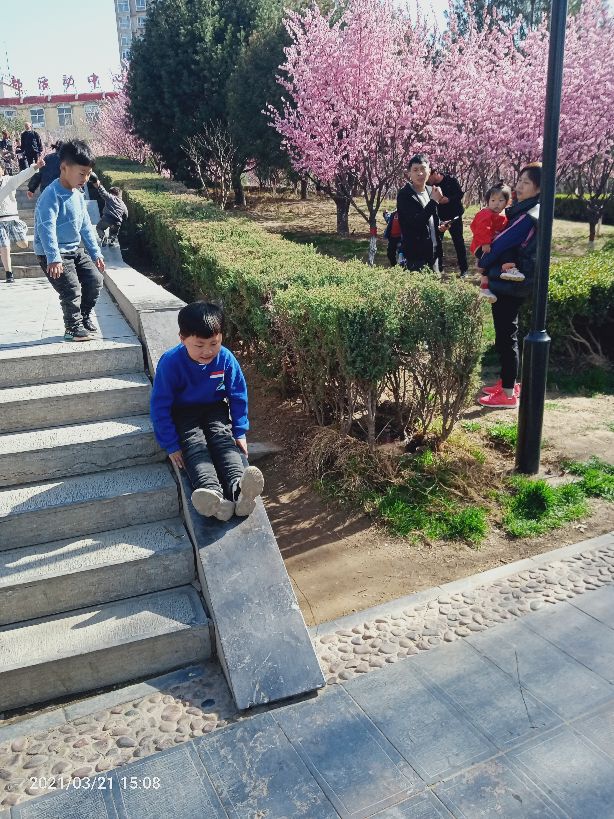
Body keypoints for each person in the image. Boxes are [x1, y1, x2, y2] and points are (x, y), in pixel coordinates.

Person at [150, 301, 265, 521]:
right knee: (194, 447)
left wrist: (240, 431)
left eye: (214, 343)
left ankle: (239, 491)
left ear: (221, 337)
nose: (208, 351)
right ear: (182, 339)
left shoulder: (226, 358)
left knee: (223, 440)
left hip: (214, 408)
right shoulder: (171, 363)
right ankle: (214, 497)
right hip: (183, 412)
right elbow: (159, 406)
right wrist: (171, 444)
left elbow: (237, 394)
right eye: (199, 345)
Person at [477, 164, 541, 409]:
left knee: (506, 337)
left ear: (539, 188)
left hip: (510, 284)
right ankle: (508, 383)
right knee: (506, 334)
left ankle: (507, 394)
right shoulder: (525, 211)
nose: (519, 186)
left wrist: (482, 262)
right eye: (520, 180)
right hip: (510, 283)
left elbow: (501, 243)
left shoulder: (528, 215)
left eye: (526, 182)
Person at [34, 139, 106, 342]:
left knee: (95, 280)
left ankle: (83, 317)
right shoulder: (51, 195)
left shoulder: (78, 193)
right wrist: (53, 257)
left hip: (74, 249)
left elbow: (85, 226)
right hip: (52, 253)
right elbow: (46, 228)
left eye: (88, 174)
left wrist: (96, 253)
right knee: (71, 288)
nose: (85, 178)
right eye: (82, 173)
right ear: (64, 168)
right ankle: (72, 328)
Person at [397, 154, 446, 273]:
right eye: (415, 170)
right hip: (416, 255)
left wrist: (441, 225)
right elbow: (415, 223)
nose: (420, 173)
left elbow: (431, 218)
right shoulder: (405, 195)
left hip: (434, 251)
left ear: (429, 171)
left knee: (435, 283)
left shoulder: (430, 190)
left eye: (423, 169)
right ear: (409, 173)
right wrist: (434, 201)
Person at [0, 156, 45, 283]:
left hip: (12, 218)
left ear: (2, 170)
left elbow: (22, 175)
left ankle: (22, 231)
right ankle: (9, 274)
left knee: (23, 244)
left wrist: (35, 167)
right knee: (4, 245)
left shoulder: (9, 181)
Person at [469, 182, 512, 303]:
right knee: (499, 256)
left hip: (486, 245)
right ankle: (508, 267)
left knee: (486, 270)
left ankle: (485, 288)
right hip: (481, 246)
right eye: (493, 200)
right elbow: (483, 228)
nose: (496, 204)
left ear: (507, 202)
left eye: (500, 200)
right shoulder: (486, 213)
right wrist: (485, 243)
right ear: (488, 201)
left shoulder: (499, 215)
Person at [427, 169, 468, 276]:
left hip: (454, 216)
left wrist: (449, 199)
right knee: (437, 242)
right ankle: (439, 268)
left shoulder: (451, 180)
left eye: (428, 176)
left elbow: (459, 194)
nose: (427, 180)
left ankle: (464, 269)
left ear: (434, 173)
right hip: (439, 217)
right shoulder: (430, 186)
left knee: (458, 242)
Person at [92, 177, 128, 246]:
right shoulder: (123, 204)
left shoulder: (111, 197)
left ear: (112, 193)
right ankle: (111, 242)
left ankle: (103, 237)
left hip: (107, 219)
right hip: (117, 222)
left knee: (99, 228)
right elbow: (126, 214)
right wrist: (122, 221)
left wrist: (99, 185)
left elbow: (103, 192)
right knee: (113, 233)